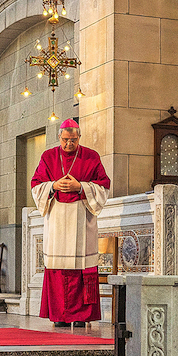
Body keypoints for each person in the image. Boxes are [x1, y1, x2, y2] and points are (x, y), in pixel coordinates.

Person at [30, 119, 110, 328]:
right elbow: (36, 184)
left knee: (82, 267)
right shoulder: (48, 156)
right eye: (65, 140)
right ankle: (59, 315)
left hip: (82, 217)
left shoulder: (91, 156)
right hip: (56, 218)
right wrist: (54, 185)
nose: (68, 145)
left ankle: (81, 316)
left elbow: (104, 185)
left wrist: (80, 186)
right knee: (58, 268)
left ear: (79, 138)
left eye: (73, 140)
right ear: (59, 137)